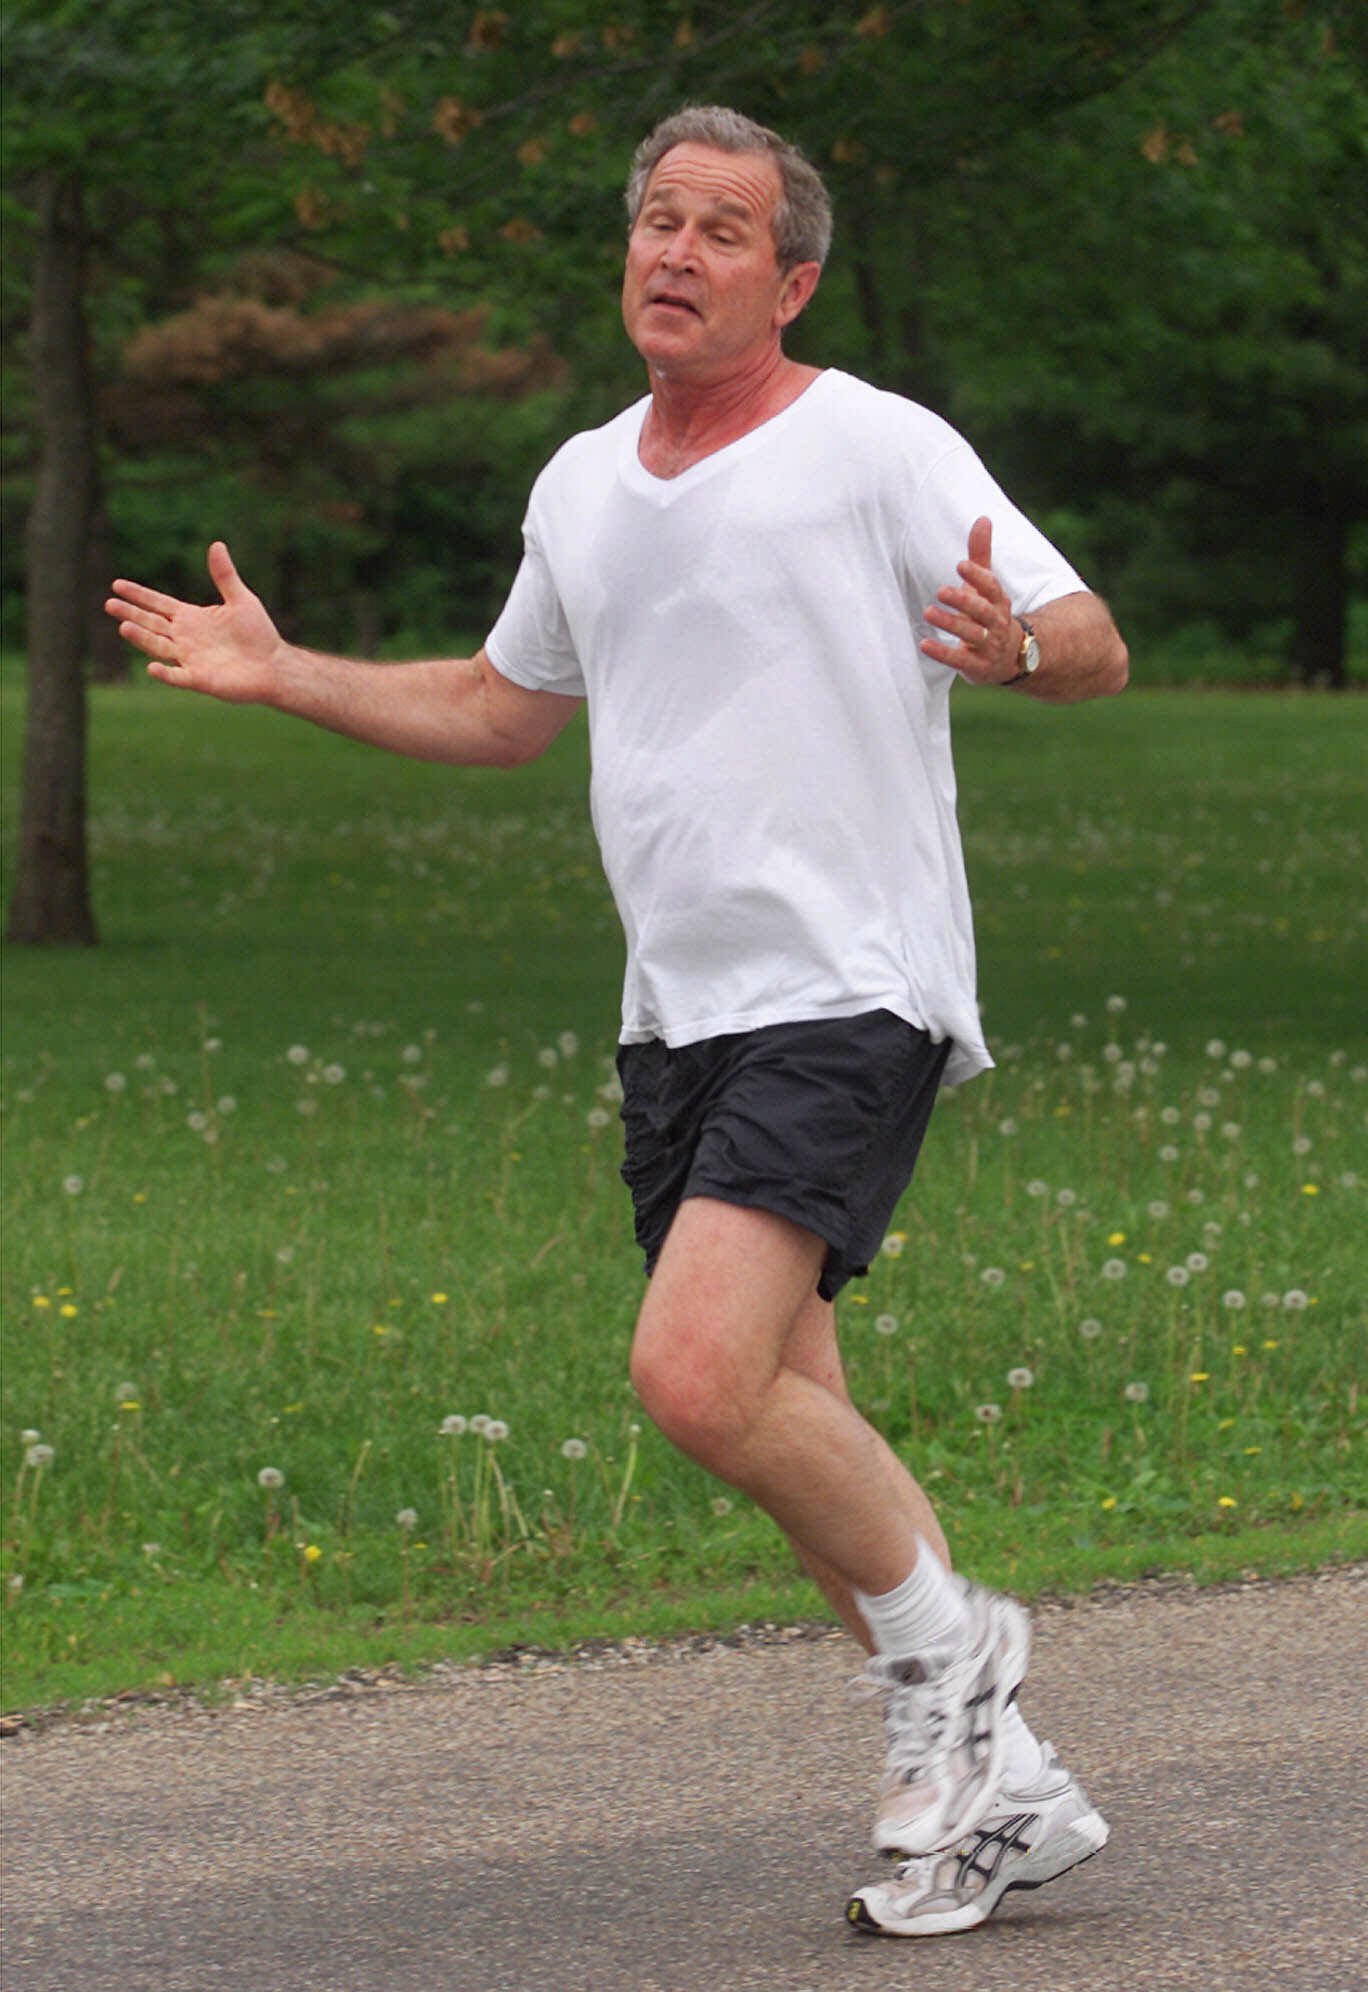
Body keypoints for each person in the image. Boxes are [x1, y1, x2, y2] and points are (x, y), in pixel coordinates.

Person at [108, 105, 1128, 1939]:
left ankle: (959, 1668)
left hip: (851, 979)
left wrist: (1019, 650)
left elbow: (1094, 636)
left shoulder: (875, 442)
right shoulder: (582, 482)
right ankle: (1013, 1792)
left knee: (693, 1374)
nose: (676, 251)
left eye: (722, 229)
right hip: (681, 1008)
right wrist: (279, 674)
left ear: (789, 277)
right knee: (790, 1412)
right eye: (658, 219)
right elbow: (502, 710)